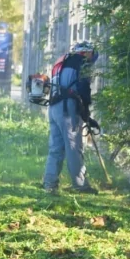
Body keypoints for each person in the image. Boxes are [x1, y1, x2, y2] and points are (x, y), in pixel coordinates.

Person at [42, 41, 100, 195]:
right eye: (92, 54)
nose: (92, 58)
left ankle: (49, 184)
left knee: (56, 148)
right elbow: (83, 89)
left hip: (54, 108)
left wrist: (86, 116)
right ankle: (80, 186)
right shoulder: (83, 63)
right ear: (87, 53)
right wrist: (86, 112)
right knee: (74, 148)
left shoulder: (61, 61)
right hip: (67, 110)